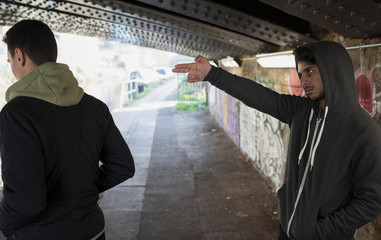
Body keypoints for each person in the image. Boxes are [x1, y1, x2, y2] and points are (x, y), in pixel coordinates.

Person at [172, 41, 381, 240]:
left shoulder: (363, 131)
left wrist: (319, 232)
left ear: (333, 71)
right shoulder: (301, 111)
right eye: (300, 73)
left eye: (310, 71)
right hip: (287, 230)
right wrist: (212, 74)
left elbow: (372, 200)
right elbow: (258, 96)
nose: (303, 80)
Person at [0, 20, 135, 239]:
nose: (12, 68)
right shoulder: (95, 106)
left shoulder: (17, 114)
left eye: (9, 62)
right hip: (93, 230)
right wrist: (82, 190)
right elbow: (123, 166)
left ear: (19, 55)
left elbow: (25, 202)